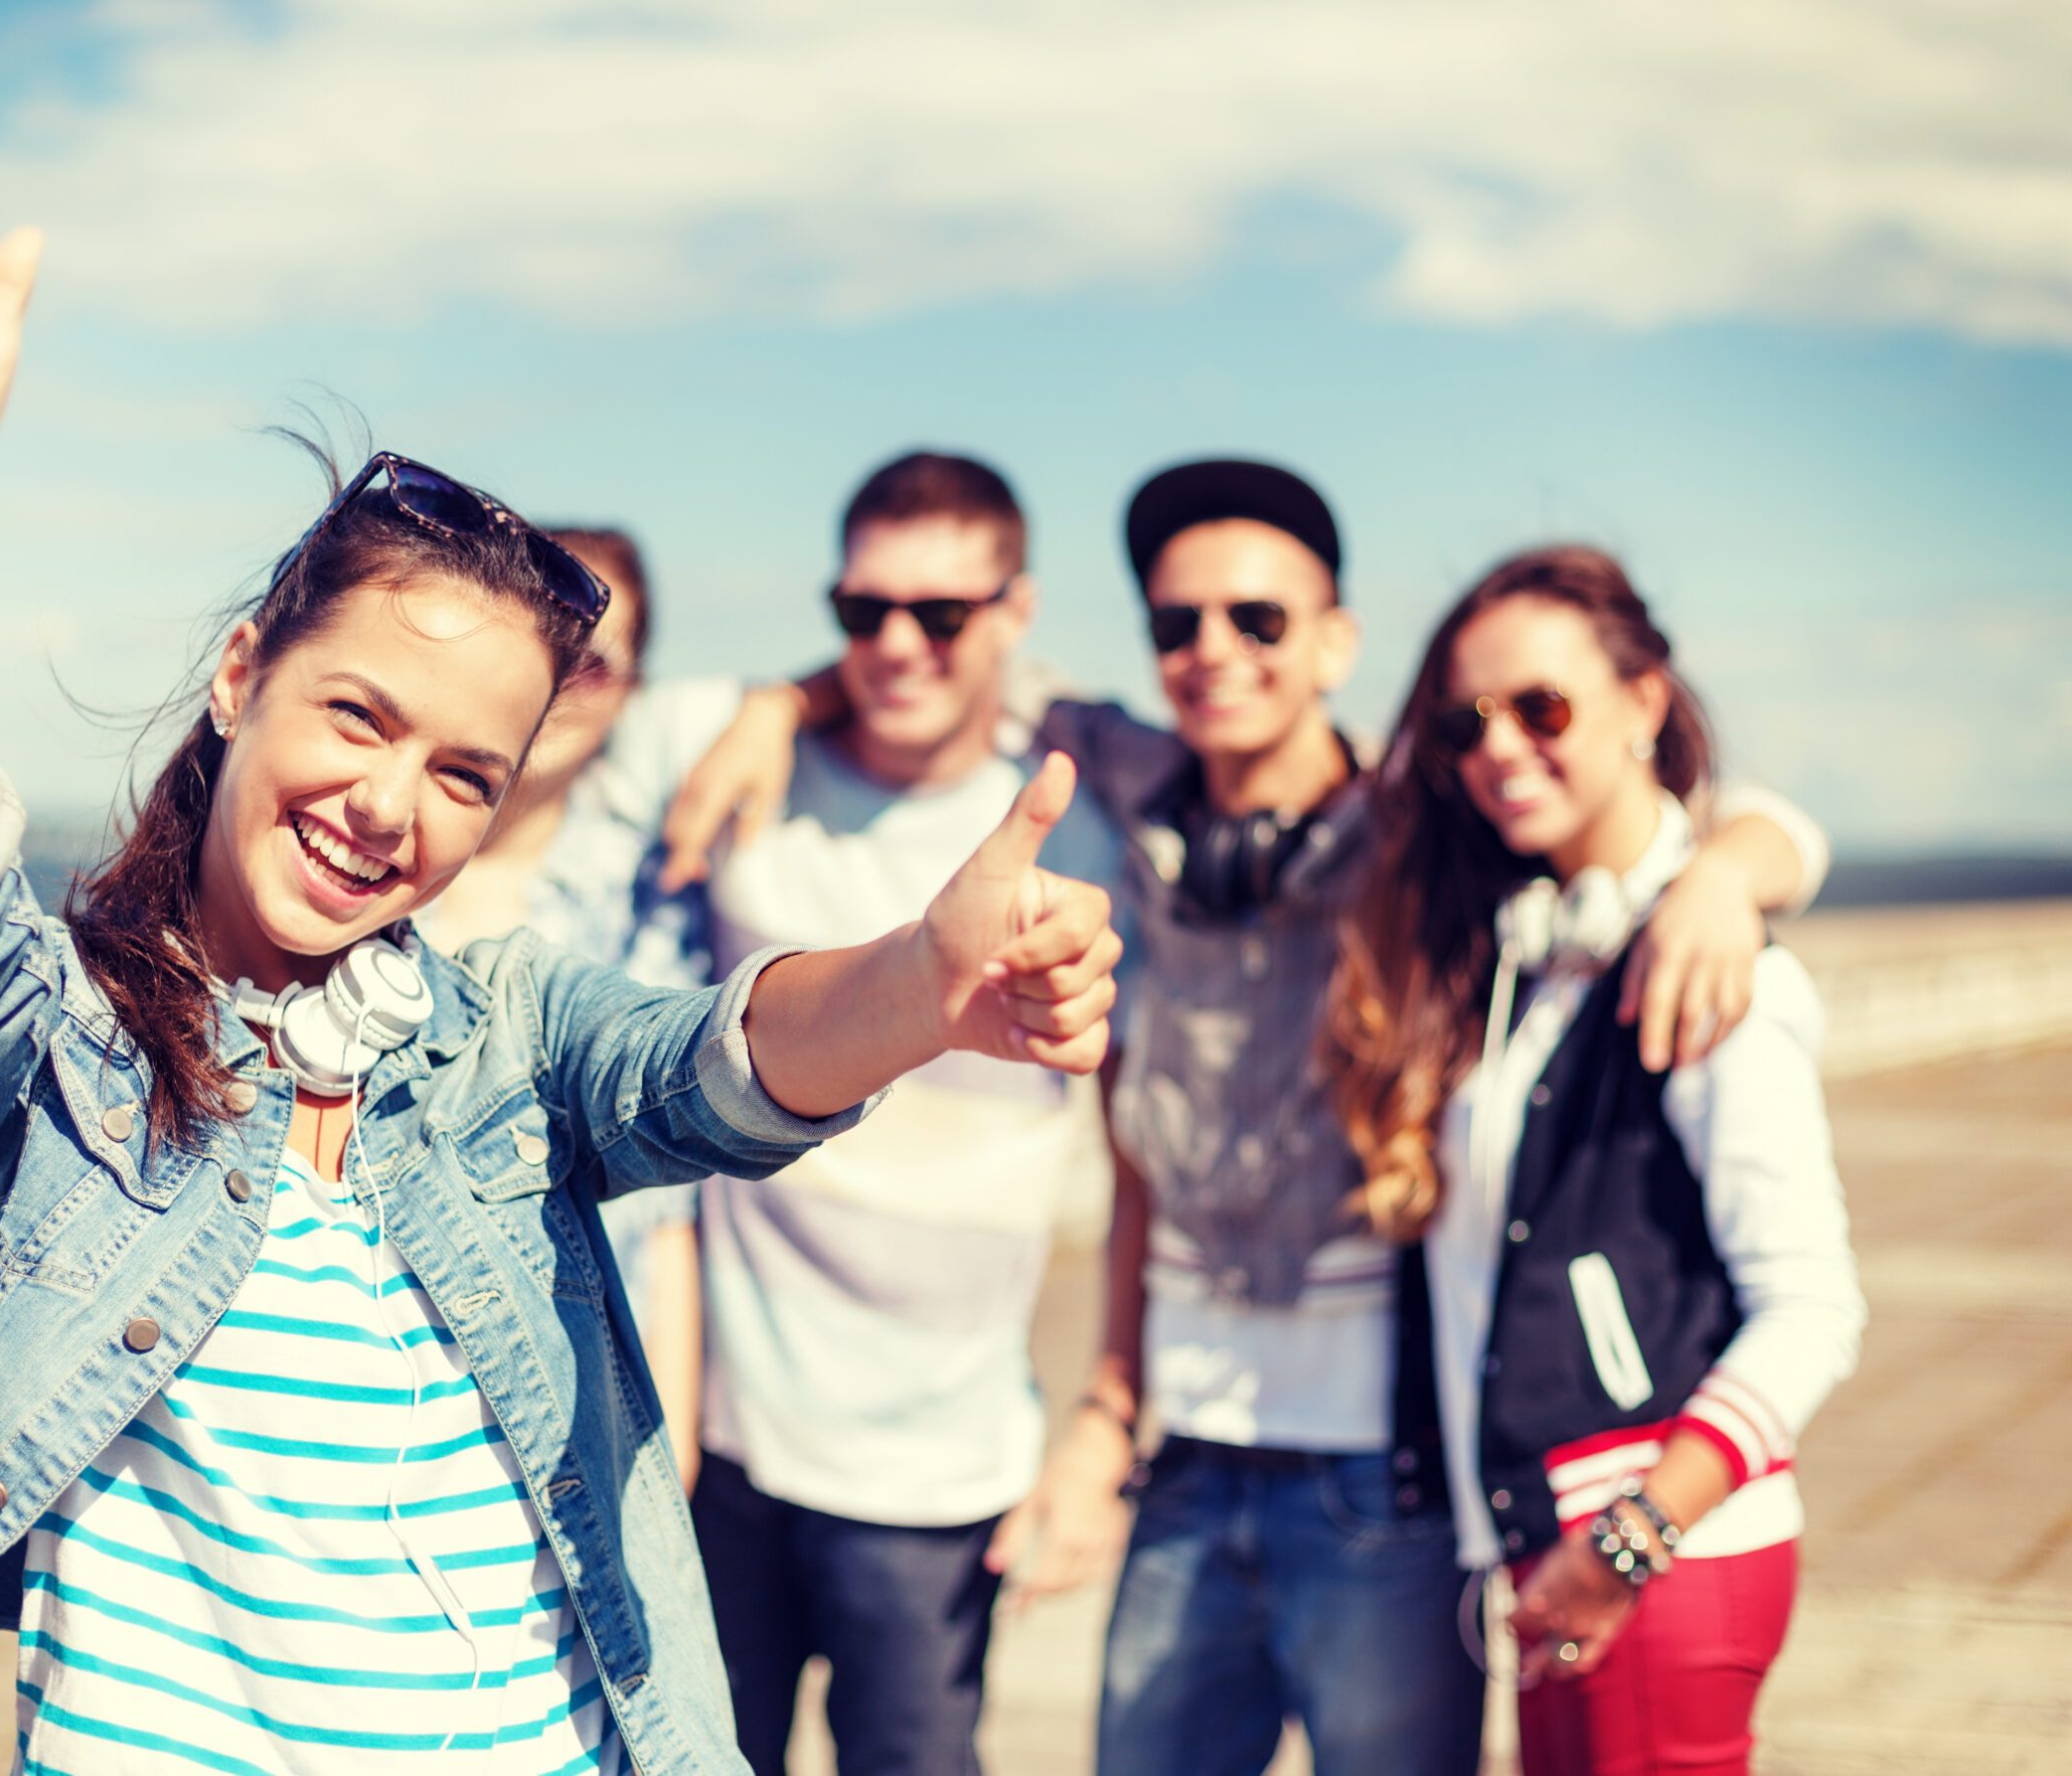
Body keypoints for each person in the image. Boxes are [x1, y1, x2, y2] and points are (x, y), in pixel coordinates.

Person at [0, 236, 1122, 1776]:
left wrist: (918, 986)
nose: (390, 804)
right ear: (240, 671)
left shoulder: (510, 1040)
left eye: (466, 771)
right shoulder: (78, 1051)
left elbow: (712, 1065)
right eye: (357, 714)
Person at [662, 461, 1828, 1776]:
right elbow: (934, 656)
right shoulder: (1113, 776)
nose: (1213, 650)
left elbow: (1647, 819)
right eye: (1177, 622)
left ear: (1336, 639)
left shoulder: (1427, 824)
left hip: (1382, 1490)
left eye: (1258, 619)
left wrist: (1736, 866)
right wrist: (778, 702)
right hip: (1186, 1465)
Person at [1324, 544, 1865, 1776]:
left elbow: (1815, 1305)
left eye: (1542, 705)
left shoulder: (1716, 971)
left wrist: (1629, 1538)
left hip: (1654, 1554)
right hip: (1557, 1549)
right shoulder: (1530, 951)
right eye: (1467, 721)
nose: (1499, 746)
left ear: (1644, 701)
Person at [644, 452, 1130, 1776]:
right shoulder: (745, 775)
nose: (897, 646)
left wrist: (1107, 1422)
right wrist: (772, 702)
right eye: (863, 613)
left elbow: (1148, 1154)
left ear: (1017, 611)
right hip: (720, 1447)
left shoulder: (1091, 815)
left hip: (940, 1478)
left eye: (942, 614)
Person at [420, 528, 706, 1492]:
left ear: (631, 689)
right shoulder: (371, 850)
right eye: (532, 640)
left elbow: (669, 1193)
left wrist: (672, 1424)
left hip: (572, 1393)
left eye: (589, 661)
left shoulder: (647, 893)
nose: (554, 677)